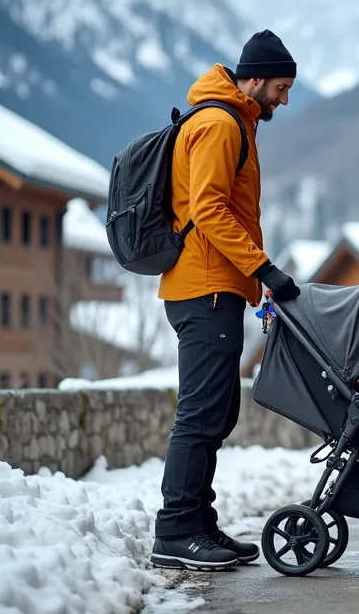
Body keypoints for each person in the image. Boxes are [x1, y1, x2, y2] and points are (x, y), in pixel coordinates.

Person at [149, 30, 303, 571]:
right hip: (205, 287)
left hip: (214, 286)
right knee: (200, 413)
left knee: (218, 409)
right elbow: (211, 211)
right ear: (255, 79)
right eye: (281, 88)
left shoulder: (234, 121)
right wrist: (264, 269)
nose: (284, 99)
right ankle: (174, 531)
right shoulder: (218, 124)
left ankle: (198, 523)